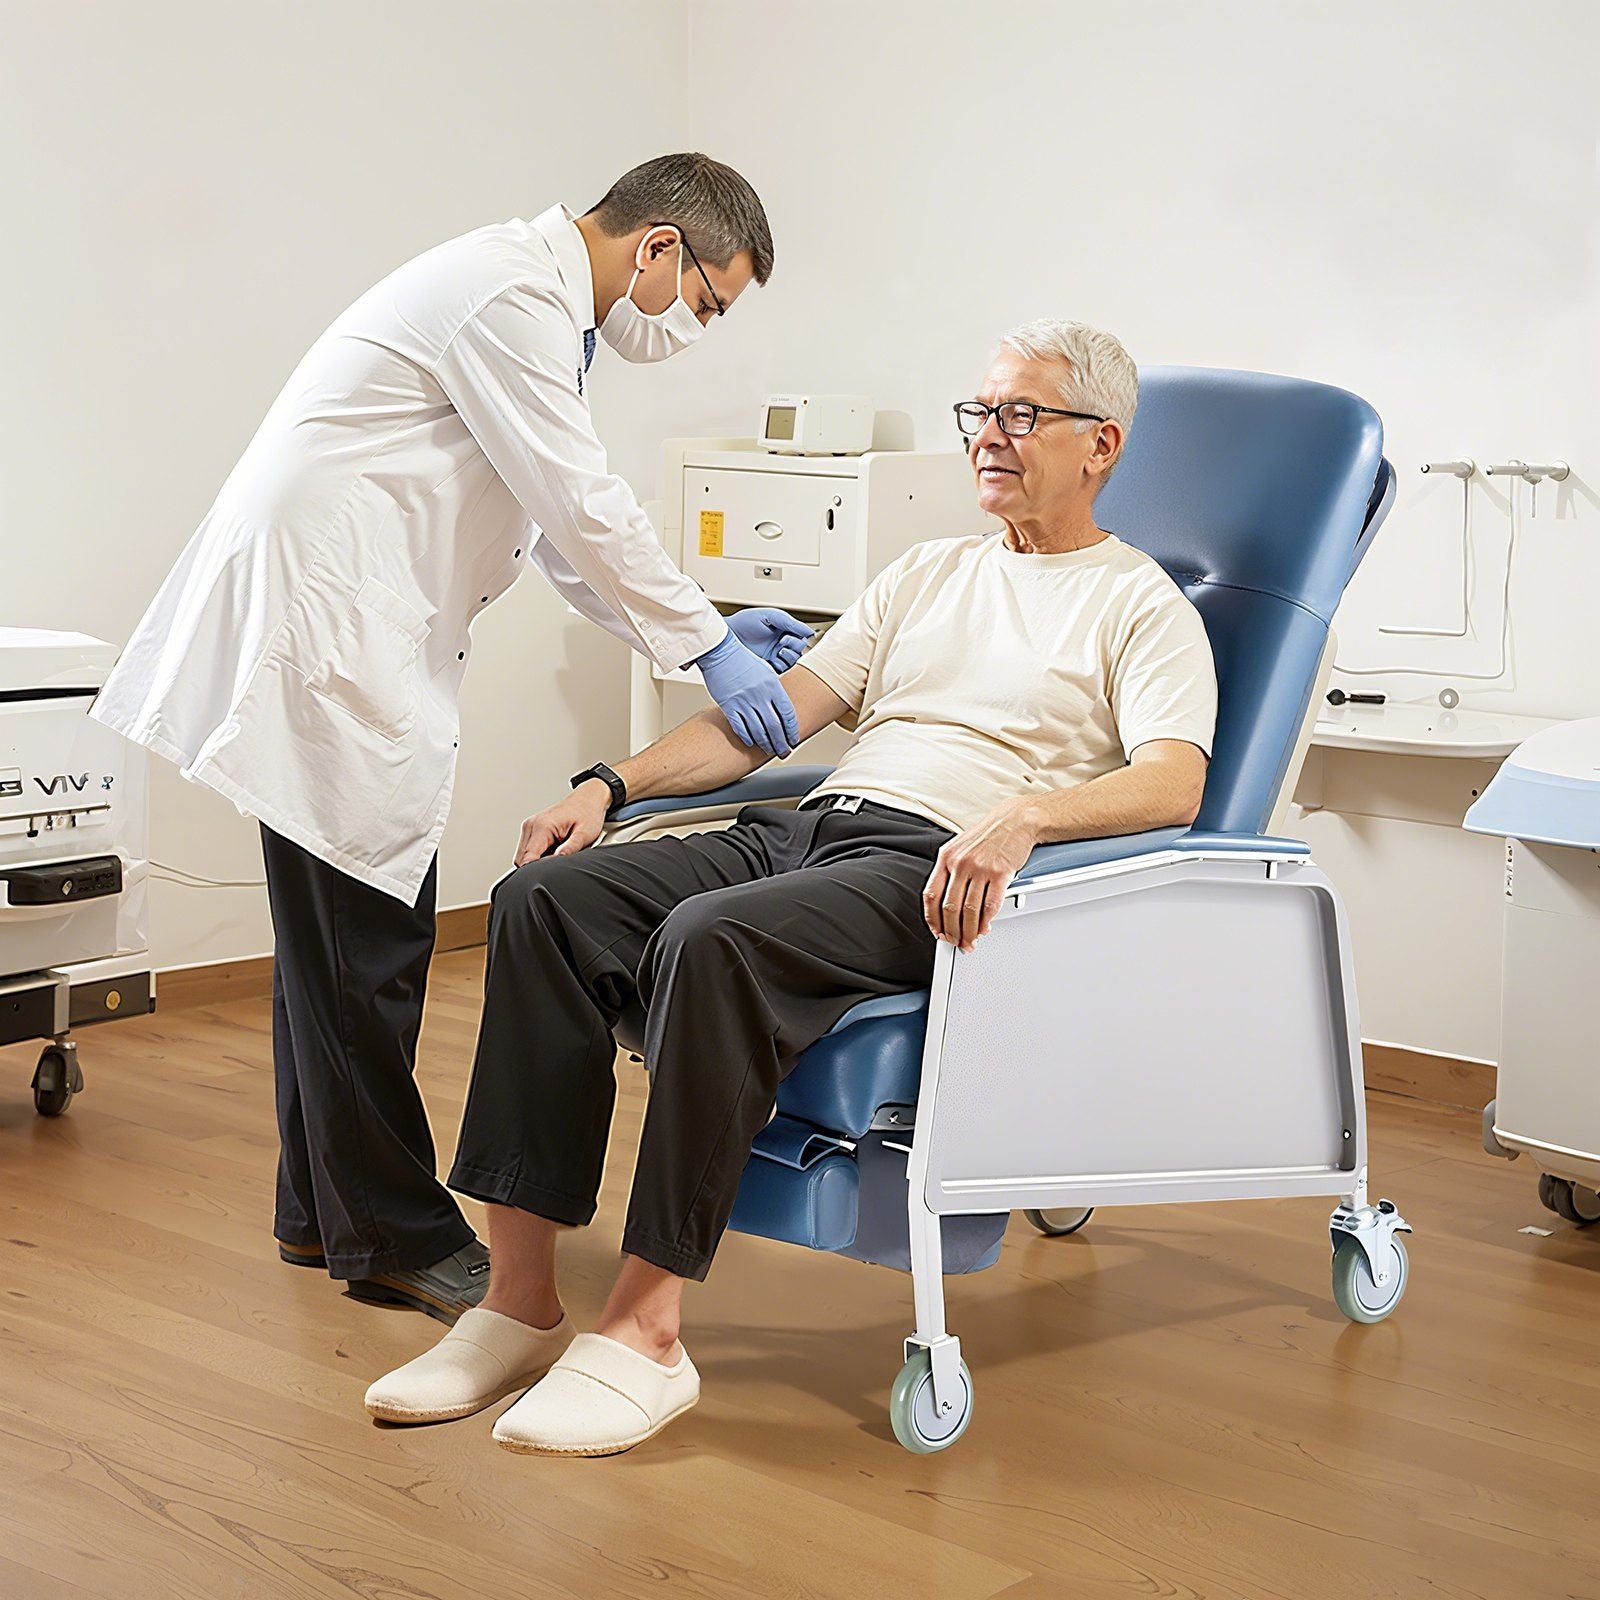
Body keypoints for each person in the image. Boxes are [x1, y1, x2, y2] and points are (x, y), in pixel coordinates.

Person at [364, 319, 1219, 1455]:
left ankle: (646, 1333)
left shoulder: (1140, 604)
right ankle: (519, 1304)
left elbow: (1174, 780)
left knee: (710, 937)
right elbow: (766, 723)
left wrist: (1024, 816)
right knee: (543, 901)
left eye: (1021, 415)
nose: (988, 436)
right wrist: (609, 783)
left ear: (1099, 443)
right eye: (980, 412)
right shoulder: (927, 571)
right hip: (812, 828)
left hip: (932, 868)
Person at [90, 154, 811, 1322]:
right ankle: (392, 1232)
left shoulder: (533, 307)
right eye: (706, 302)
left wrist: (707, 632)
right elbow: (582, 503)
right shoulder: (511, 299)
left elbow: (556, 530)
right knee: (365, 945)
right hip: (330, 631)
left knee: (333, 944)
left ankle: (316, 1209)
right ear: (658, 248)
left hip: (347, 625)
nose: (695, 327)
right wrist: (706, 646)